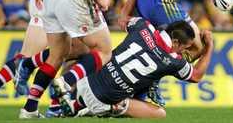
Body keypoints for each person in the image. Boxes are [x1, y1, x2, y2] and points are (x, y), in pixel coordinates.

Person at [52, 17, 213, 118]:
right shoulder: (173, 61)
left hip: (85, 80)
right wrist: (209, 46)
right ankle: (110, 108)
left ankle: (74, 104)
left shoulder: (144, 25)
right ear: (176, 42)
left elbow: (123, 20)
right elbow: (197, 75)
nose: (183, 52)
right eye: (184, 47)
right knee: (160, 114)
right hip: (102, 99)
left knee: (96, 54)